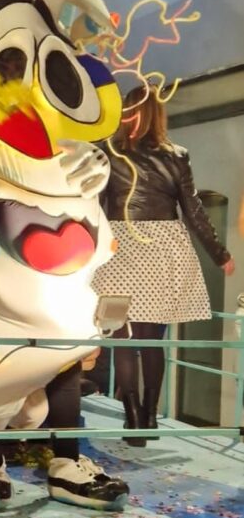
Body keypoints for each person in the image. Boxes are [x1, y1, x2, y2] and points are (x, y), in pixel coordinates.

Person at [94, 85, 235, 445]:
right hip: (162, 252)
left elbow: (95, 206)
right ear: (159, 114)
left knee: (123, 339)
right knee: (151, 340)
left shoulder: (109, 152)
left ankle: (132, 419)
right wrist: (220, 255)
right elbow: (193, 210)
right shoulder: (177, 155)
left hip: (119, 249)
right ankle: (149, 417)